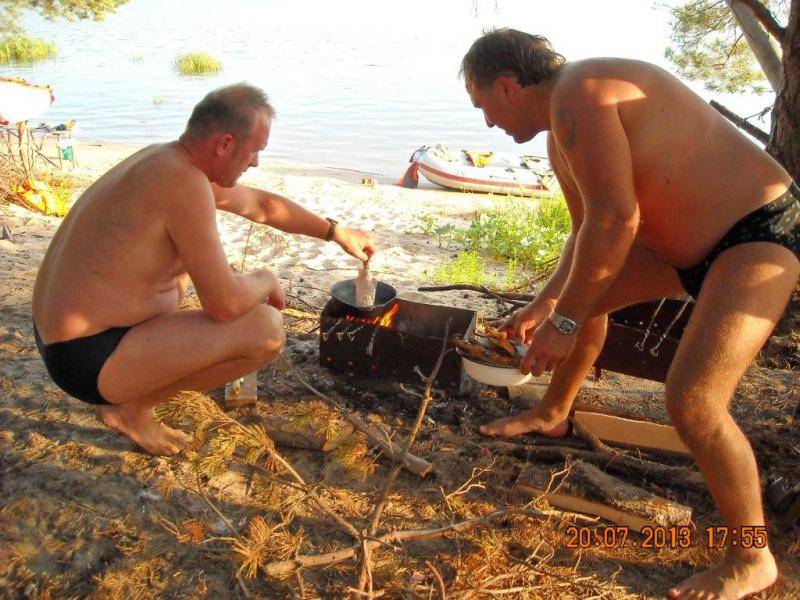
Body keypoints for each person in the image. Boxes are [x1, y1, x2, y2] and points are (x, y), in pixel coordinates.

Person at [461, 28, 799, 600]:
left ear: (507, 86)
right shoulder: (562, 129)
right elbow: (585, 235)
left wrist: (564, 324)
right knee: (583, 297)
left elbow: (618, 222)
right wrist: (548, 304)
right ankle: (553, 413)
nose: (488, 122)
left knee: (694, 400)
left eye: (482, 106)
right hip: (686, 252)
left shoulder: (580, 94)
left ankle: (752, 558)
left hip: (755, 236)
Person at [32, 83, 376, 457]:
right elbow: (224, 305)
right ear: (224, 144)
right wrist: (266, 279)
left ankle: (127, 396)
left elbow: (262, 206)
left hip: (65, 341)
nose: (255, 163)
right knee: (265, 329)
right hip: (89, 357)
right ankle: (130, 409)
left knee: (198, 268)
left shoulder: (166, 161)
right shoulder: (183, 183)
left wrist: (335, 232)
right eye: (255, 151)